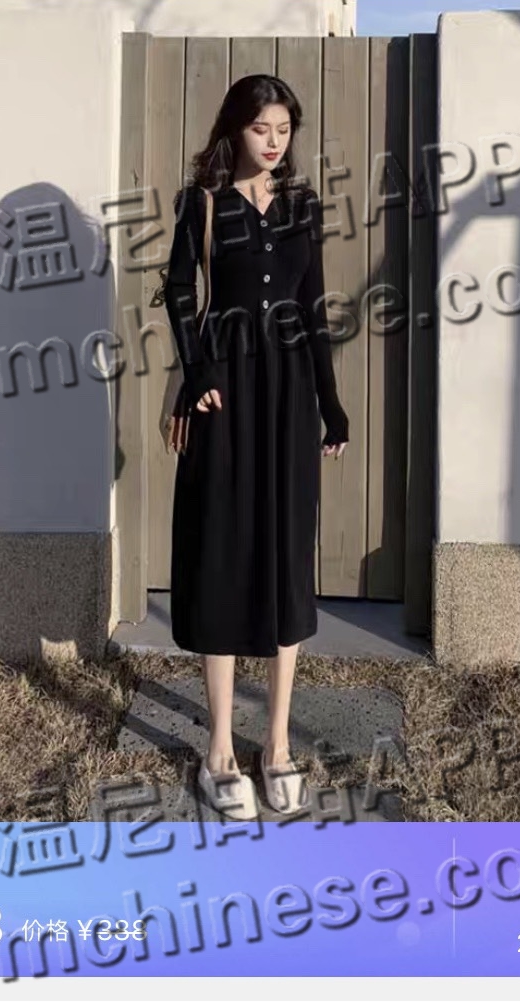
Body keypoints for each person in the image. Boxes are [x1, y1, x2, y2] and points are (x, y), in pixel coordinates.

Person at [163, 73, 349, 819]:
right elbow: (181, 293)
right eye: (260, 127)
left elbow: (312, 308)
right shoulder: (203, 202)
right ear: (233, 129)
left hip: (289, 396)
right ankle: (217, 748)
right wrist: (198, 372)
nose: (273, 141)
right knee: (221, 552)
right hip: (226, 393)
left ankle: (275, 745)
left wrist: (330, 403)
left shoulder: (302, 205)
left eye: (283, 129)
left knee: (285, 556)